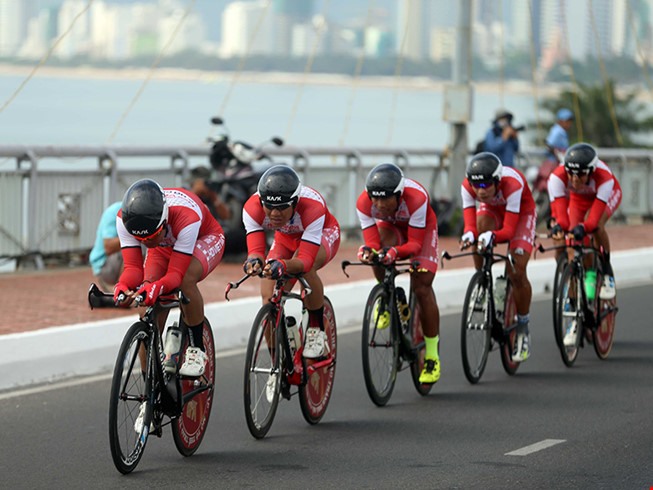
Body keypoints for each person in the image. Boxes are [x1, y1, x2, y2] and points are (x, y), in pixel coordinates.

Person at [113, 178, 225, 378]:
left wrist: (159, 287)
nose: (145, 242)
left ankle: (196, 349)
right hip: (164, 246)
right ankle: (150, 385)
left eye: (151, 236)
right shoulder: (124, 219)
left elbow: (175, 275)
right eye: (140, 239)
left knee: (184, 281)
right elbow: (133, 269)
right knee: (147, 306)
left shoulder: (186, 217)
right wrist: (123, 284)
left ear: (164, 221)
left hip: (203, 238)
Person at [242, 165, 341, 361]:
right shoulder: (252, 209)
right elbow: (255, 251)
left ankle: (315, 329)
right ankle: (276, 367)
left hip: (322, 235)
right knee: (268, 295)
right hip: (286, 238)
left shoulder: (313, 207)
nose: (274, 213)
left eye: (282, 207)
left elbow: (304, 260)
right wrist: (254, 262)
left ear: (295, 203)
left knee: (306, 269)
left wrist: (284, 265)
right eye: (269, 207)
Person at [355, 163, 442, 384]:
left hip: (420, 231)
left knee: (422, 287)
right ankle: (388, 296)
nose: (379, 204)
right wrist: (369, 251)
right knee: (376, 253)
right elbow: (373, 241)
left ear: (399, 195)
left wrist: (395, 252)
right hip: (392, 226)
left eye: (385, 199)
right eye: (376, 198)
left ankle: (432, 354)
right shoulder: (365, 203)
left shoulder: (417, 198)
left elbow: (414, 244)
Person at [460, 152, 536, 362]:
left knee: (517, 271)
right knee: (479, 227)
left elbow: (509, 231)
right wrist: (470, 234)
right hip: (492, 211)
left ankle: (522, 328)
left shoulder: (513, 184)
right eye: (476, 186)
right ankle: (482, 281)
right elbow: (469, 224)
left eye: (485, 186)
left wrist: (492, 236)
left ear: (497, 181)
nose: (479, 191)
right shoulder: (468, 187)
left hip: (520, 215)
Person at [547, 143, 621, 307]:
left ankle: (607, 271)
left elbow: (592, 221)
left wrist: (584, 227)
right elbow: (562, 218)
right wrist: (559, 226)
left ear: (591, 171)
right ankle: (573, 293)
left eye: (580, 174)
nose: (574, 179)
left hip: (606, 196)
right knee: (571, 242)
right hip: (579, 198)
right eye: (570, 173)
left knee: (596, 226)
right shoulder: (556, 178)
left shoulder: (604, 178)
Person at [89, 201, 123, 291]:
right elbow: (108, 246)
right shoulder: (115, 211)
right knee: (135, 243)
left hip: (112, 262)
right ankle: (122, 289)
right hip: (103, 265)